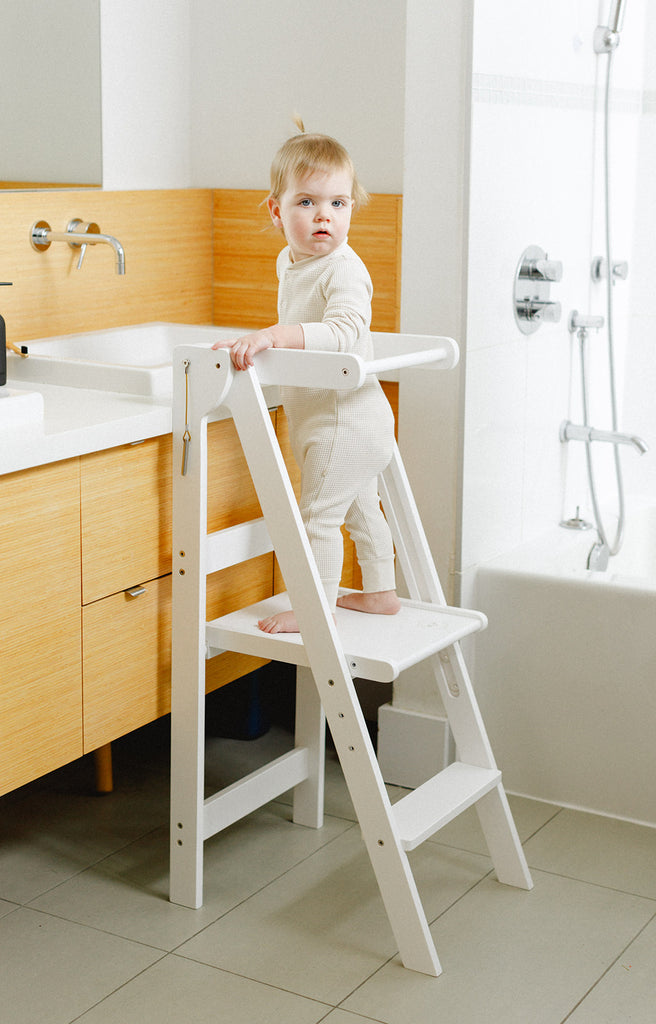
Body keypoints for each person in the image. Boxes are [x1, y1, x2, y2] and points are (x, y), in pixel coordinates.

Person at [213, 119, 400, 633]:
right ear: (277, 210)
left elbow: (342, 332)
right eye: (307, 203)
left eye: (338, 204)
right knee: (361, 509)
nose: (324, 216)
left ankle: (314, 609)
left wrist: (273, 335)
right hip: (330, 417)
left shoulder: (344, 269)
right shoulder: (290, 261)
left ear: (352, 209)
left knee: (317, 516)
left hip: (346, 420)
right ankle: (381, 592)